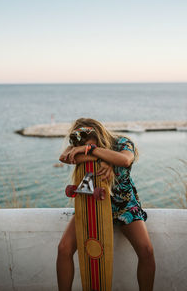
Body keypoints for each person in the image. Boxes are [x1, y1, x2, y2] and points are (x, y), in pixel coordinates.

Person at [56, 118, 156, 291]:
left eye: (86, 143)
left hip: (123, 206)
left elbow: (125, 160)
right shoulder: (79, 144)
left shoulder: (122, 143)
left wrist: (92, 151)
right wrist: (99, 159)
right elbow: (65, 157)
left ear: (97, 134)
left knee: (146, 251)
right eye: (79, 144)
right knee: (64, 248)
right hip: (91, 205)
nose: (81, 146)